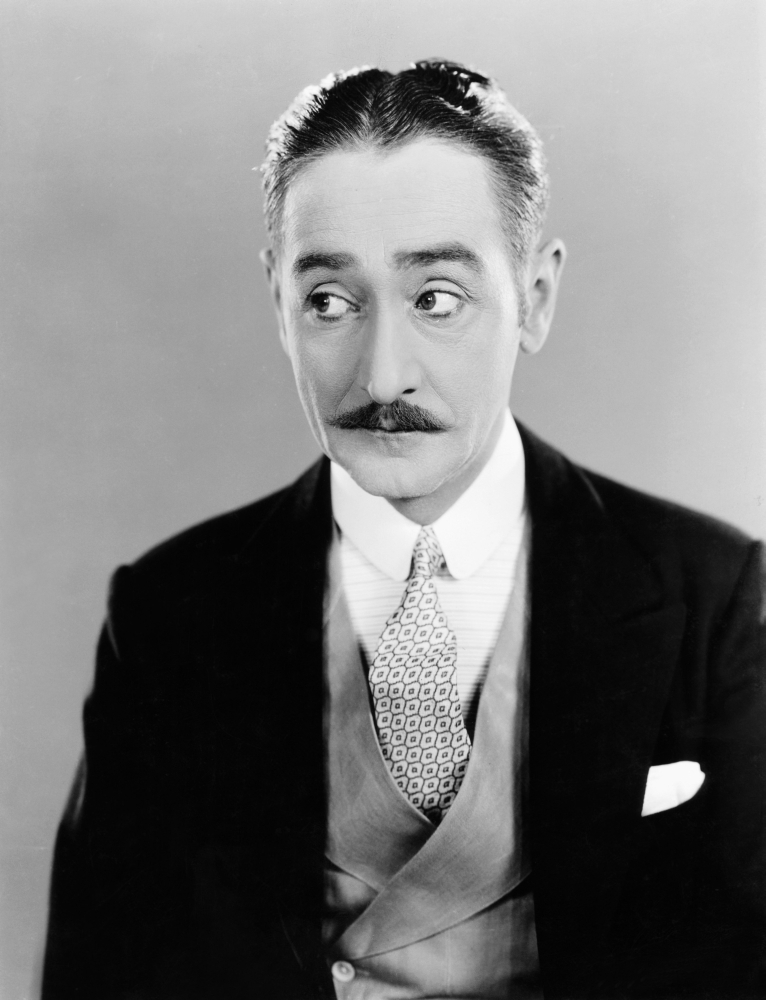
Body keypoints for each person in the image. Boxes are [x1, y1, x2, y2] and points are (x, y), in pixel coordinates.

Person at [42, 60, 766, 1000]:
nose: (383, 378)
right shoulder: (167, 613)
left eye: (436, 299)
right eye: (329, 302)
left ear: (535, 297)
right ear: (278, 305)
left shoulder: (714, 594)